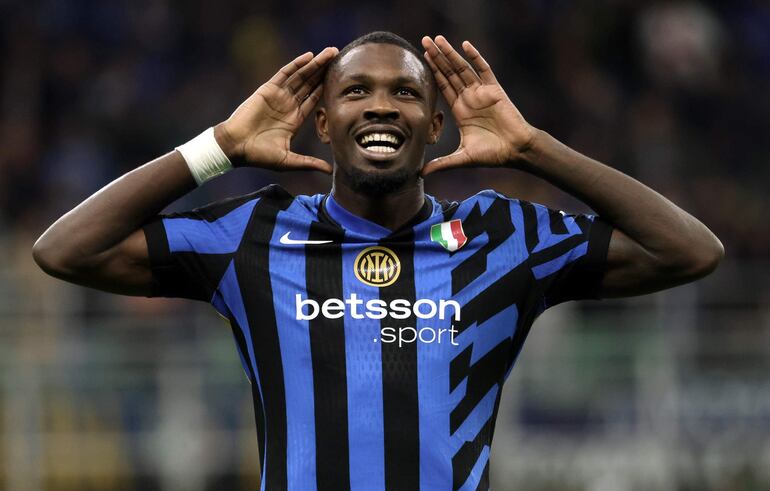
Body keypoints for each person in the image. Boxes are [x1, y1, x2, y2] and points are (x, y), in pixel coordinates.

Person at [32, 31, 723, 490]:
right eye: (356, 92)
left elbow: (690, 249)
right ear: (324, 123)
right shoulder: (256, 232)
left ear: (436, 123)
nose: (382, 108)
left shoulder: (500, 234)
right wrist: (221, 146)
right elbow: (66, 248)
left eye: (406, 93)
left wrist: (533, 148)